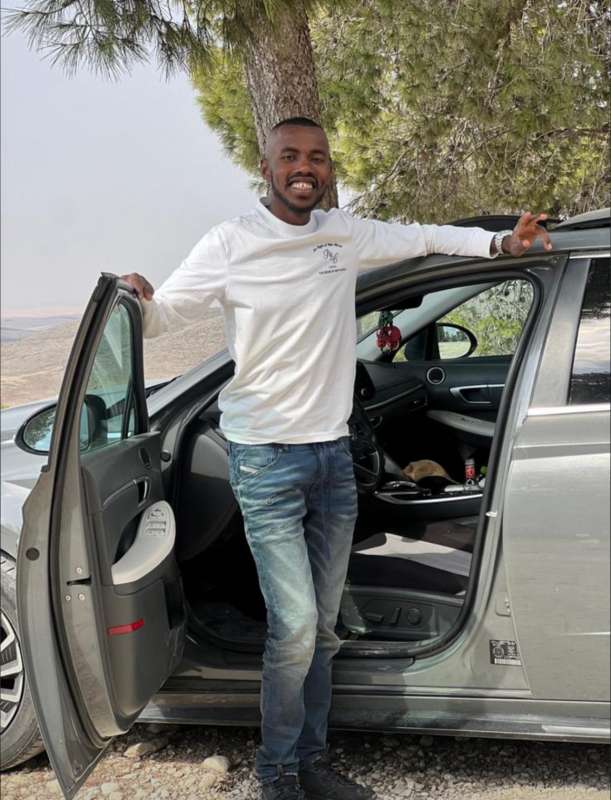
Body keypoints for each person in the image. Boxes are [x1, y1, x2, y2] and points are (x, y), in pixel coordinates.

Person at [122, 116, 552, 800]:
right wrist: (137, 303)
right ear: (266, 166)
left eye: (317, 157)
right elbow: (168, 314)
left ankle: (311, 764)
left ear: (327, 168)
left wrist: (500, 243)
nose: (305, 167)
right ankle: (276, 774)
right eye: (291, 155)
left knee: (320, 630)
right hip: (265, 461)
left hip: (331, 459)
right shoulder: (232, 241)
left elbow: (424, 237)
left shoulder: (341, 234)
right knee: (295, 627)